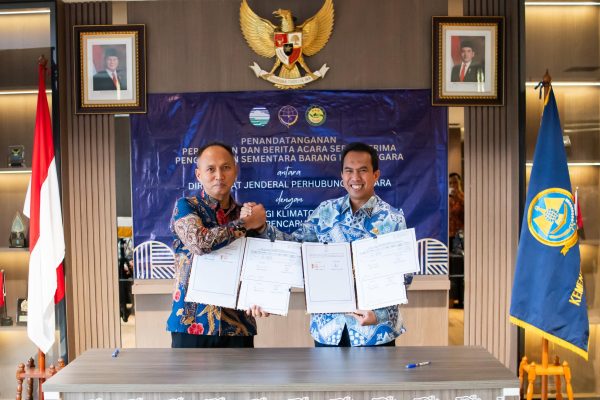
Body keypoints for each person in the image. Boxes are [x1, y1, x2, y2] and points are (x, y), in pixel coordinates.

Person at [243, 142, 412, 347]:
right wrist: (262, 227)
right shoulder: (326, 212)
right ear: (342, 175)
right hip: (328, 329)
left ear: (376, 175)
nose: (355, 177)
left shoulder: (393, 220)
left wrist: (380, 314)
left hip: (374, 331)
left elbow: (404, 277)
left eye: (363, 170)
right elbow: (294, 248)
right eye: (349, 171)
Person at [166, 142, 269, 348]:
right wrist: (246, 224)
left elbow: (260, 262)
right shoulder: (186, 207)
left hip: (238, 324)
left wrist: (263, 298)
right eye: (211, 169)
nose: (219, 175)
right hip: (192, 323)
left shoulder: (245, 213)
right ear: (199, 175)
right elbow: (199, 243)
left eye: (226, 167)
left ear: (235, 171)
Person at [448, 172, 464, 253]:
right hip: (448, 234)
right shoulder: (447, 199)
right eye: (450, 183)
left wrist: (458, 197)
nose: (452, 185)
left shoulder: (464, 198)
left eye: (455, 182)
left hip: (460, 234)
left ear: (460, 183)